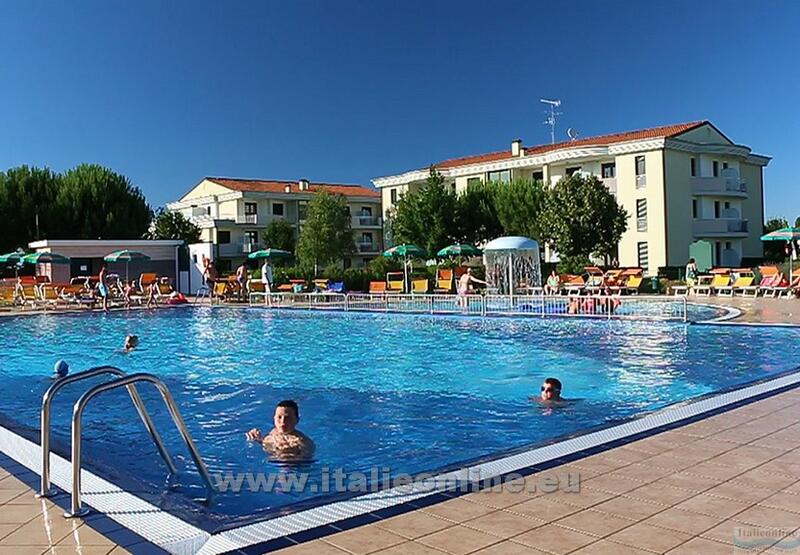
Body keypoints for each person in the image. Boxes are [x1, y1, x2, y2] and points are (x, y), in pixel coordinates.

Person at [246, 400, 315, 460]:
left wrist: (288, 456)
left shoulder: (303, 442)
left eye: (287, 418)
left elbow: (306, 460)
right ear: (274, 418)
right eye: (279, 417)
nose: (283, 422)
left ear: (297, 420)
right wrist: (258, 440)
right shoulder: (273, 432)